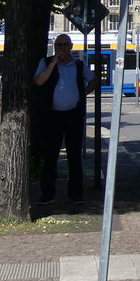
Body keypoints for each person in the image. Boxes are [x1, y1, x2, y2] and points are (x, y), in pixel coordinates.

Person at [33, 34, 97, 205]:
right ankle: (48, 193)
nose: (61, 48)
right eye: (58, 45)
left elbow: (93, 80)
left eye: (65, 45)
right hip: (52, 116)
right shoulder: (46, 62)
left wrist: (81, 95)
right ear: (54, 46)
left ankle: (76, 193)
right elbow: (39, 81)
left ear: (71, 46)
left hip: (73, 116)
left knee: (74, 156)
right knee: (50, 156)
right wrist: (54, 62)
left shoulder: (78, 65)